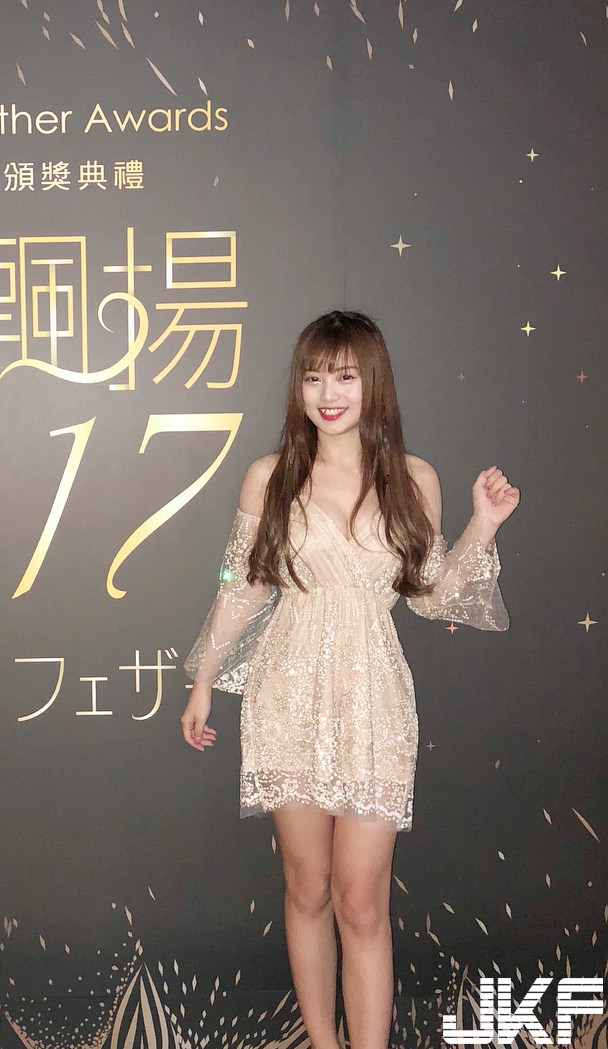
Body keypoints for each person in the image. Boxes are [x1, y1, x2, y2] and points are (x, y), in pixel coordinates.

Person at [179, 311, 519, 1049]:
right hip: (286, 696)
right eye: (313, 377)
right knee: (307, 889)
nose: (327, 394)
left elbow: (431, 595)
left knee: (361, 901)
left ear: (373, 383)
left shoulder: (413, 479)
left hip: (373, 701)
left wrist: (483, 525)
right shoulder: (270, 477)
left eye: (344, 376)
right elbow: (242, 587)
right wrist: (204, 680)